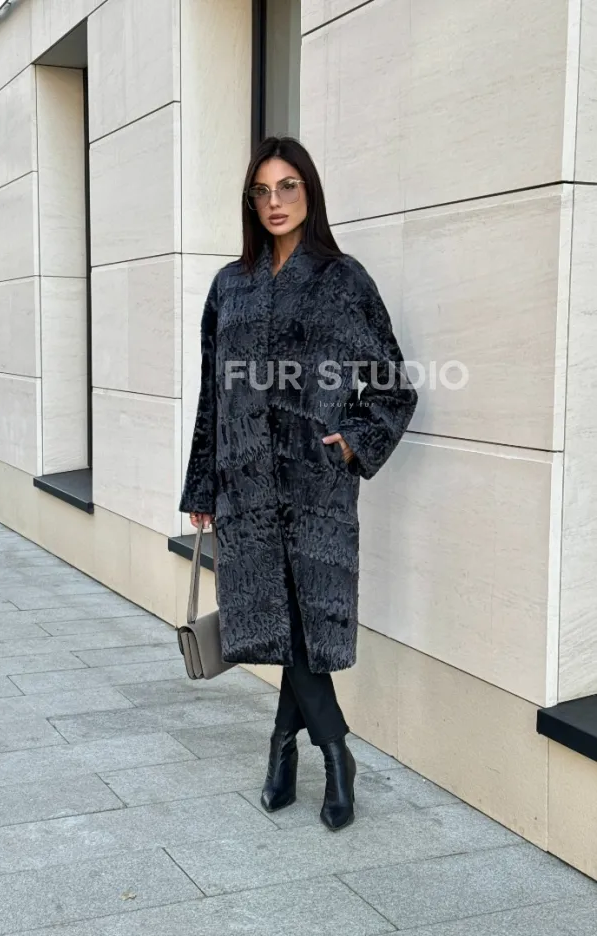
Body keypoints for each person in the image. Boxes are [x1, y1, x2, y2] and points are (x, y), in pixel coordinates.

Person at [179, 136, 418, 831]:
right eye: (262, 190)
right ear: (249, 202)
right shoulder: (229, 286)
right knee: (285, 625)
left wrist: (355, 444)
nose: (275, 201)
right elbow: (212, 397)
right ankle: (312, 751)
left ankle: (314, 751)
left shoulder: (344, 281)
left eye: (288, 186)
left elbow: (393, 388)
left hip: (317, 493)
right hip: (246, 493)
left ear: (309, 192)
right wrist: (202, 488)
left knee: (305, 623)